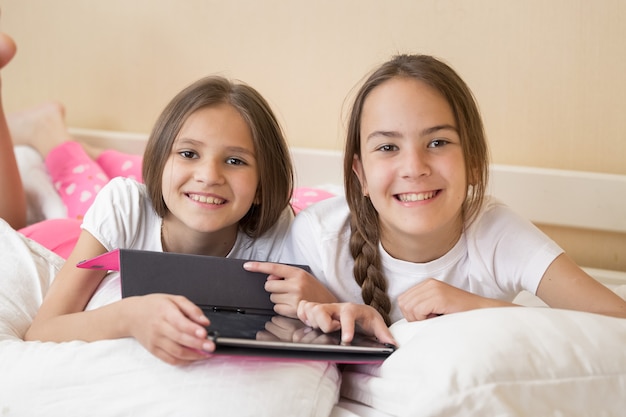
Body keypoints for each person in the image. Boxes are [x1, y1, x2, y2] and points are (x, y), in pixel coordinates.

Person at [265, 53, 626, 341]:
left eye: (437, 142)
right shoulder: (318, 238)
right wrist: (331, 306)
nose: (414, 167)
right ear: (360, 175)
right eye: (388, 147)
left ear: (472, 161)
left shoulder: (497, 233)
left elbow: (615, 322)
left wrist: (480, 307)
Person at [23, 74, 306, 365]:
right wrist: (128, 316)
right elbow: (42, 330)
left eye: (235, 161)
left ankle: (105, 154)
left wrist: (317, 298)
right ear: (159, 164)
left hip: (199, 194)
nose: (209, 176)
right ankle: (49, 132)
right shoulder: (124, 206)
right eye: (188, 153)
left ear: (262, 187)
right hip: (63, 235)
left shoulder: (281, 228)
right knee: (82, 189)